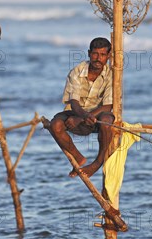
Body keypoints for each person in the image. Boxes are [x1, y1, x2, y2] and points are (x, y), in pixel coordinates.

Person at [49, 37, 115, 177]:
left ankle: (97, 163)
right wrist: (83, 116)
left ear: (108, 56)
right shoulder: (77, 71)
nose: (98, 58)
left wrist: (85, 118)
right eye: (95, 54)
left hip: (98, 116)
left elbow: (108, 105)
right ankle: (78, 157)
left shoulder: (112, 75)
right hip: (77, 112)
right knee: (55, 125)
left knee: (108, 121)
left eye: (103, 55)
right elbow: (74, 102)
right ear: (89, 53)